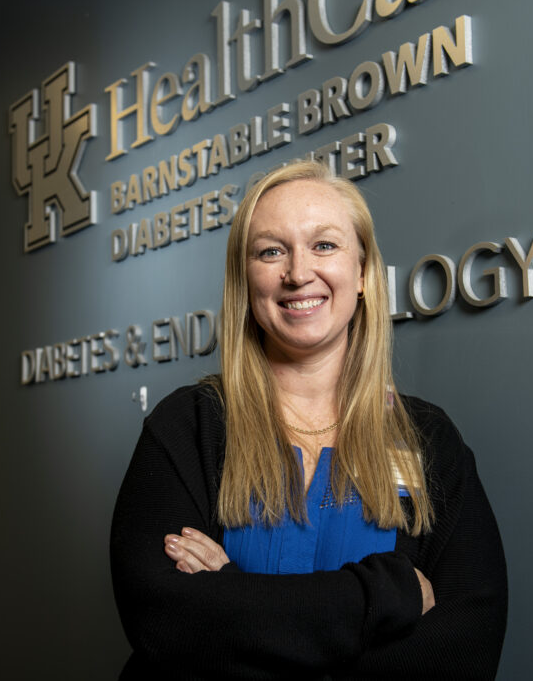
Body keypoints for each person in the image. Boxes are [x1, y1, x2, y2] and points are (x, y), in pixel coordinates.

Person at [110, 160, 507, 680]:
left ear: (363, 274)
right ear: (245, 282)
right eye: (271, 251)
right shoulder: (188, 426)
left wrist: (232, 602)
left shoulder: (429, 440)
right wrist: (390, 593)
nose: (298, 272)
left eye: (324, 245)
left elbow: (465, 647)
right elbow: (166, 625)